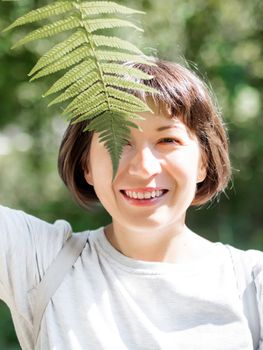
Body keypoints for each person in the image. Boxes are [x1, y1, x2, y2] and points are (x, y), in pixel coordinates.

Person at [0, 59, 262, 350]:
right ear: (86, 164)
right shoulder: (41, 263)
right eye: (119, 140)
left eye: (167, 140)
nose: (144, 167)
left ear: (203, 161)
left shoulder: (253, 287)